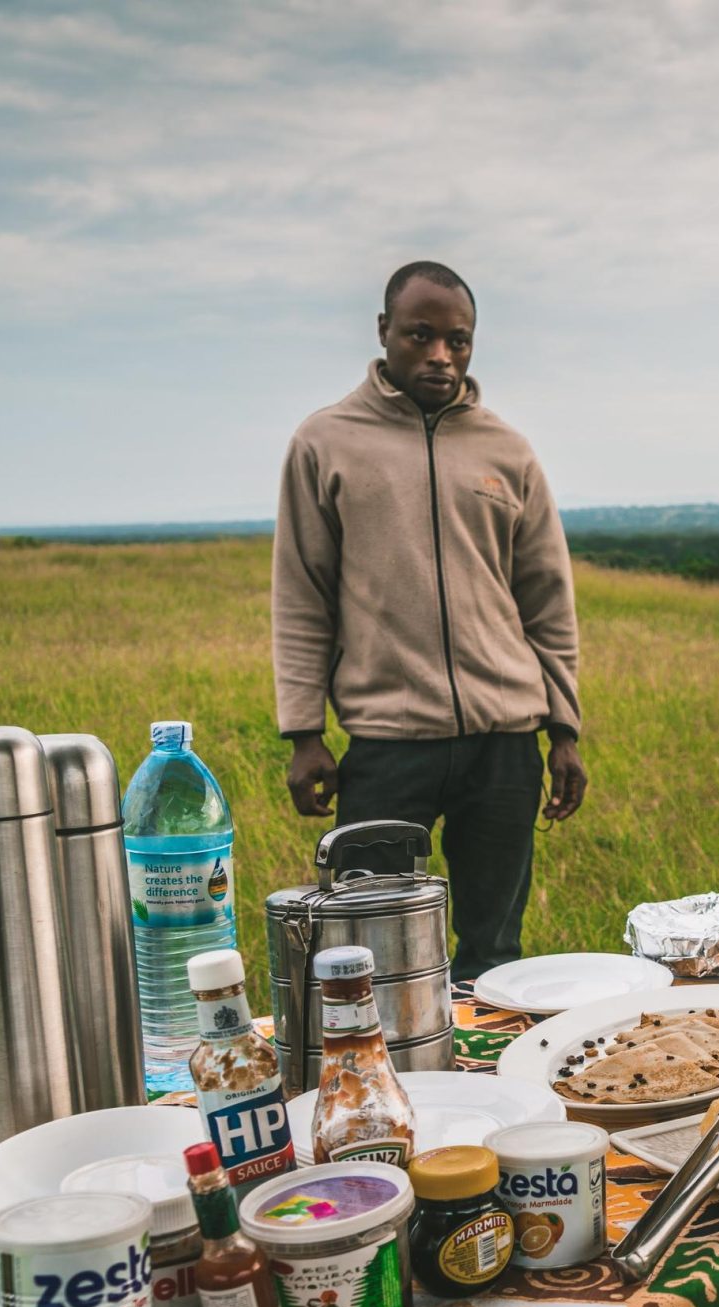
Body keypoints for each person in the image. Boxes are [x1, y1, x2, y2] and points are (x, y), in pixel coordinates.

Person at [271, 260, 589, 981]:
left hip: (504, 745)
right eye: (421, 336)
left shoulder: (507, 451)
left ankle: (487, 1056)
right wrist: (303, 733)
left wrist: (563, 730)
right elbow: (301, 596)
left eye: (459, 341)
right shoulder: (325, 443)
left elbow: (547, 600)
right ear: (384, 331)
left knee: (495, 957)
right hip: (388, 745)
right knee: (372, 957)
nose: (442, 356)